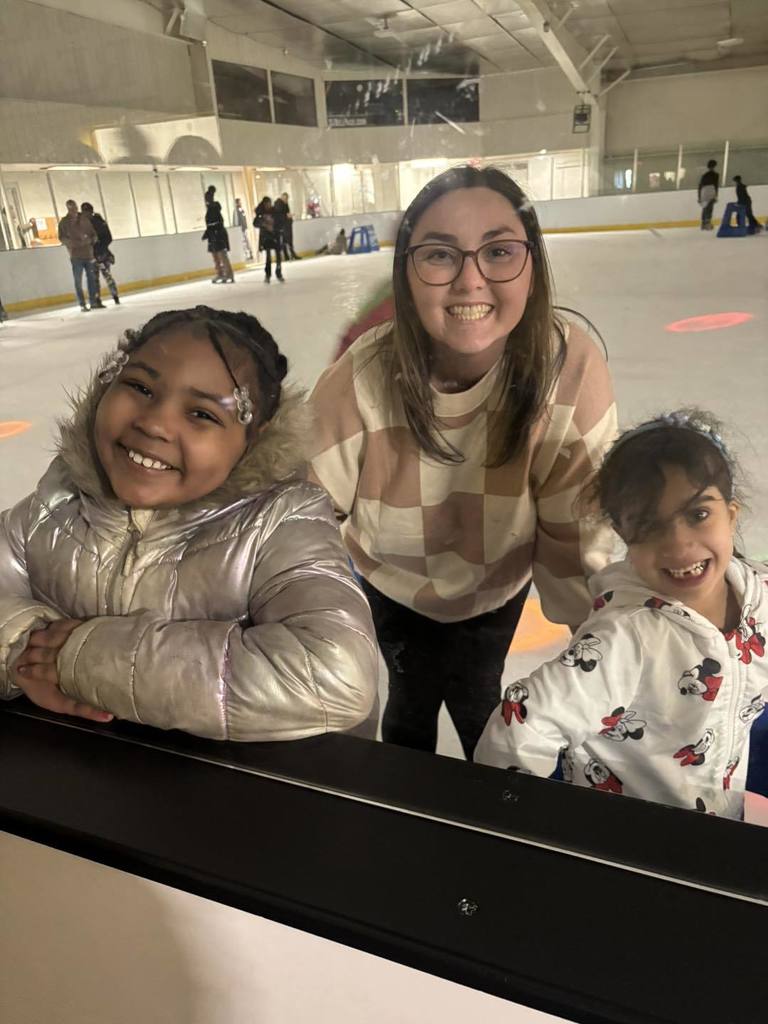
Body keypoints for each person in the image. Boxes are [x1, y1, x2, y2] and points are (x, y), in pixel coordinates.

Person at [309, 165, 618, 759]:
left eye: (499, 251)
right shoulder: (360, 376)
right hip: (392, 587)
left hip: (495, 586)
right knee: (408, 704)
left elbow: (576, 532)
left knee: (481, 706)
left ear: (533, 264)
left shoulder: (569, 369)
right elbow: (303, 516)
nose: (470, 280)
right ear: (407, 272)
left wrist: (606, 647)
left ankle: (487, 817)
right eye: (440, 255)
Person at [0, 305, 377, 739]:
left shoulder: (281, 522)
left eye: (202, 414)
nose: (156, 423)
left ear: (254, 437)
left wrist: (89, 660)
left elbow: (338, 674)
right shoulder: (57, 501)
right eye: (140, 386)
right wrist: (24, 650)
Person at [475, 409, 768, 820]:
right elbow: (522, 725)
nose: (679, 544)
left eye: (698, 514)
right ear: (623, 535)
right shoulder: (624, 638)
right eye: (649, 526)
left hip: (719, 814)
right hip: (629, 834)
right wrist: (516, 825)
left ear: (731, 514)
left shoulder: (760, 595)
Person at [57, 199, 103, 311]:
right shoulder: (64, 223)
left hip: (88, 254)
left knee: (91, 279)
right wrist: (73, 244)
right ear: (68, 208)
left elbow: (93, 234)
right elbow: (62, 238)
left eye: (75, 207)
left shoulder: (84, 219)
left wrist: (92, 240)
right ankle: (82, 304)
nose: (74, 210)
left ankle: (93, 302)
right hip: (76, 256)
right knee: (78, 280)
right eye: (71, 208)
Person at [81, 202, 120, 305]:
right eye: (84, 212)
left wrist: (100, 248)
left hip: (102, 255)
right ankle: (97, 299)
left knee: (107, 276)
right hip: (91, 256)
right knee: (94, 279)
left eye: (87, 212)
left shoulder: (98, 222)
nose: (86, 214)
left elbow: (108, 238)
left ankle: (115, 296)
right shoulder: (82, 224)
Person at [202, 186, 234, 284]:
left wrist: (213, 231)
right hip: (212, 237)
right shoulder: (209, 210)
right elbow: (209, 226)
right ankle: (220, 273)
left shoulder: (214, 209)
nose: (206, 201)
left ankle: (228, 274)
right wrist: (206, 234)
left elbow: (217, 223)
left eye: (207, 199)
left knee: (222, 256)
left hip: (218, 236)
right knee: (216, 257)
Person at [253, 197, 284, 284]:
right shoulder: (261, 213)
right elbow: (255, 223)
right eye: (267, 204)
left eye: (269, 203)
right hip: (266, 237)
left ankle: (279, 273)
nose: (268, 205)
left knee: (278, 256)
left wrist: (277, 229)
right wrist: (262, 223)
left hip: (275, 236)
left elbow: (280, 221)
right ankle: (268, 274)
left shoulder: (275, 211)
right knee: (268, 257)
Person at [274, 192, 300, 260]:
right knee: (287, 240)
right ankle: (290, 255)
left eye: (287, 199)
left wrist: (289, 216)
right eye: (285, 198)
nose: (286, 200)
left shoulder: (284, 204)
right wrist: (286, 216)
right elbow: (278, 215)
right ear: (282, 197)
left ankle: (288, 256)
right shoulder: (278, 204)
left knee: (286, 241)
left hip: (286, 224)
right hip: (283, 225)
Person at [697, 159, 719, 231]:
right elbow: (716, 185)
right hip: (711, 190)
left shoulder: (704, 175)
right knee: (710, 208)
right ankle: (707, 224)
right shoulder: (715, 175)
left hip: (704, 191)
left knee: (705, 207)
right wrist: (716, 195)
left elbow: (700, 186)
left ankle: (703, 224)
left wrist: (699, 196)